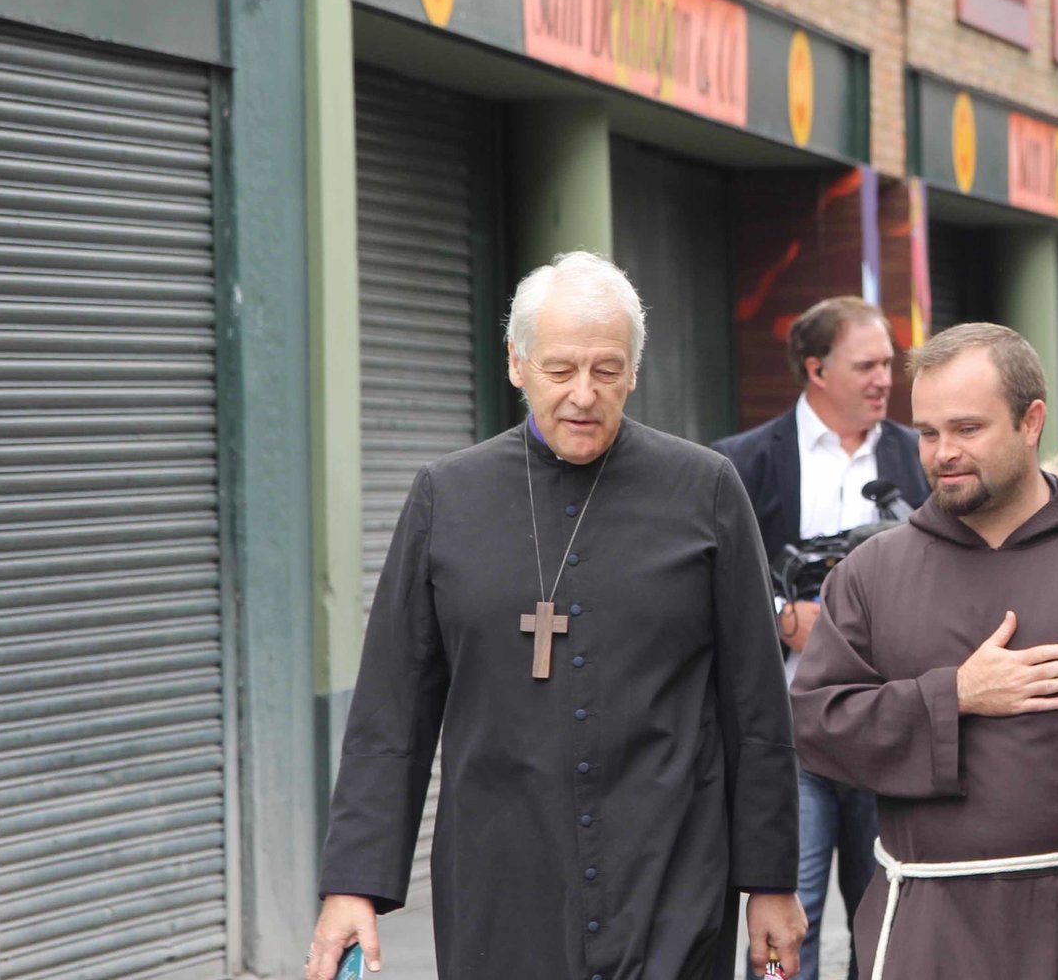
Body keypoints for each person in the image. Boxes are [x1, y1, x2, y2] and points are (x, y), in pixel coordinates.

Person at [307, 252, 806, 980]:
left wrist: (771, 881)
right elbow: (393, 707)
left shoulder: (706, 492)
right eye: (560, 369)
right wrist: (352, 881)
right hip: (500, 881)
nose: (583, 394)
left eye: (606, 370)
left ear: (634, 371)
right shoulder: (447, 497)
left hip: (669, 874)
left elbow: (757, 706)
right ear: (516, 363)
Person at [791, 323, 1058, 980]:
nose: (942, 453)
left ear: (1031, 420)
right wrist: (953, 695)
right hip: (927, 930)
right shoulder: (873, 571)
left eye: (967, 428)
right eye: (929, 433)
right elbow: (817, 720)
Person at [713, 296, 929, 980]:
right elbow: (712, 578)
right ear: (816, 368)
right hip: (791, 735)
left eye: (888, 364)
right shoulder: (740, 462)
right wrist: (783, 616)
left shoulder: (922, 451)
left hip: (891, 732)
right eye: (866, 364)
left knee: (893, 921)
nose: (883, 379)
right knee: (784, 920)